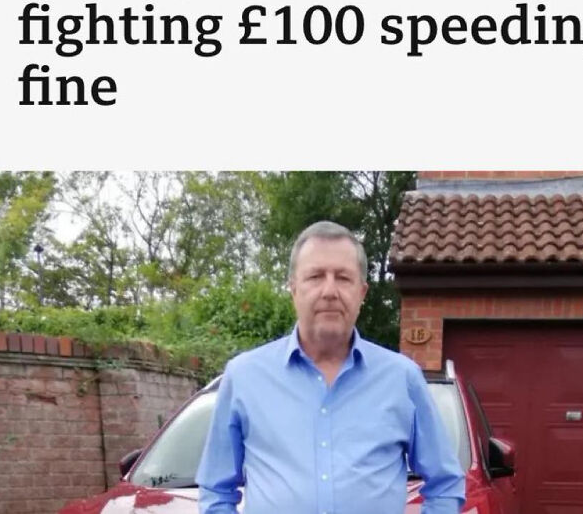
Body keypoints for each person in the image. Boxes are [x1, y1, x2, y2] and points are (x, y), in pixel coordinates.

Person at [196, 220, 465, 514]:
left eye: (343, 278)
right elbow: (216, 490)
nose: (329, 291)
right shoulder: (244, 377)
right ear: (293, 288)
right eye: (315, 276)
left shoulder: (403, 379)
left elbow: (445, 485)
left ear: (362, 293)